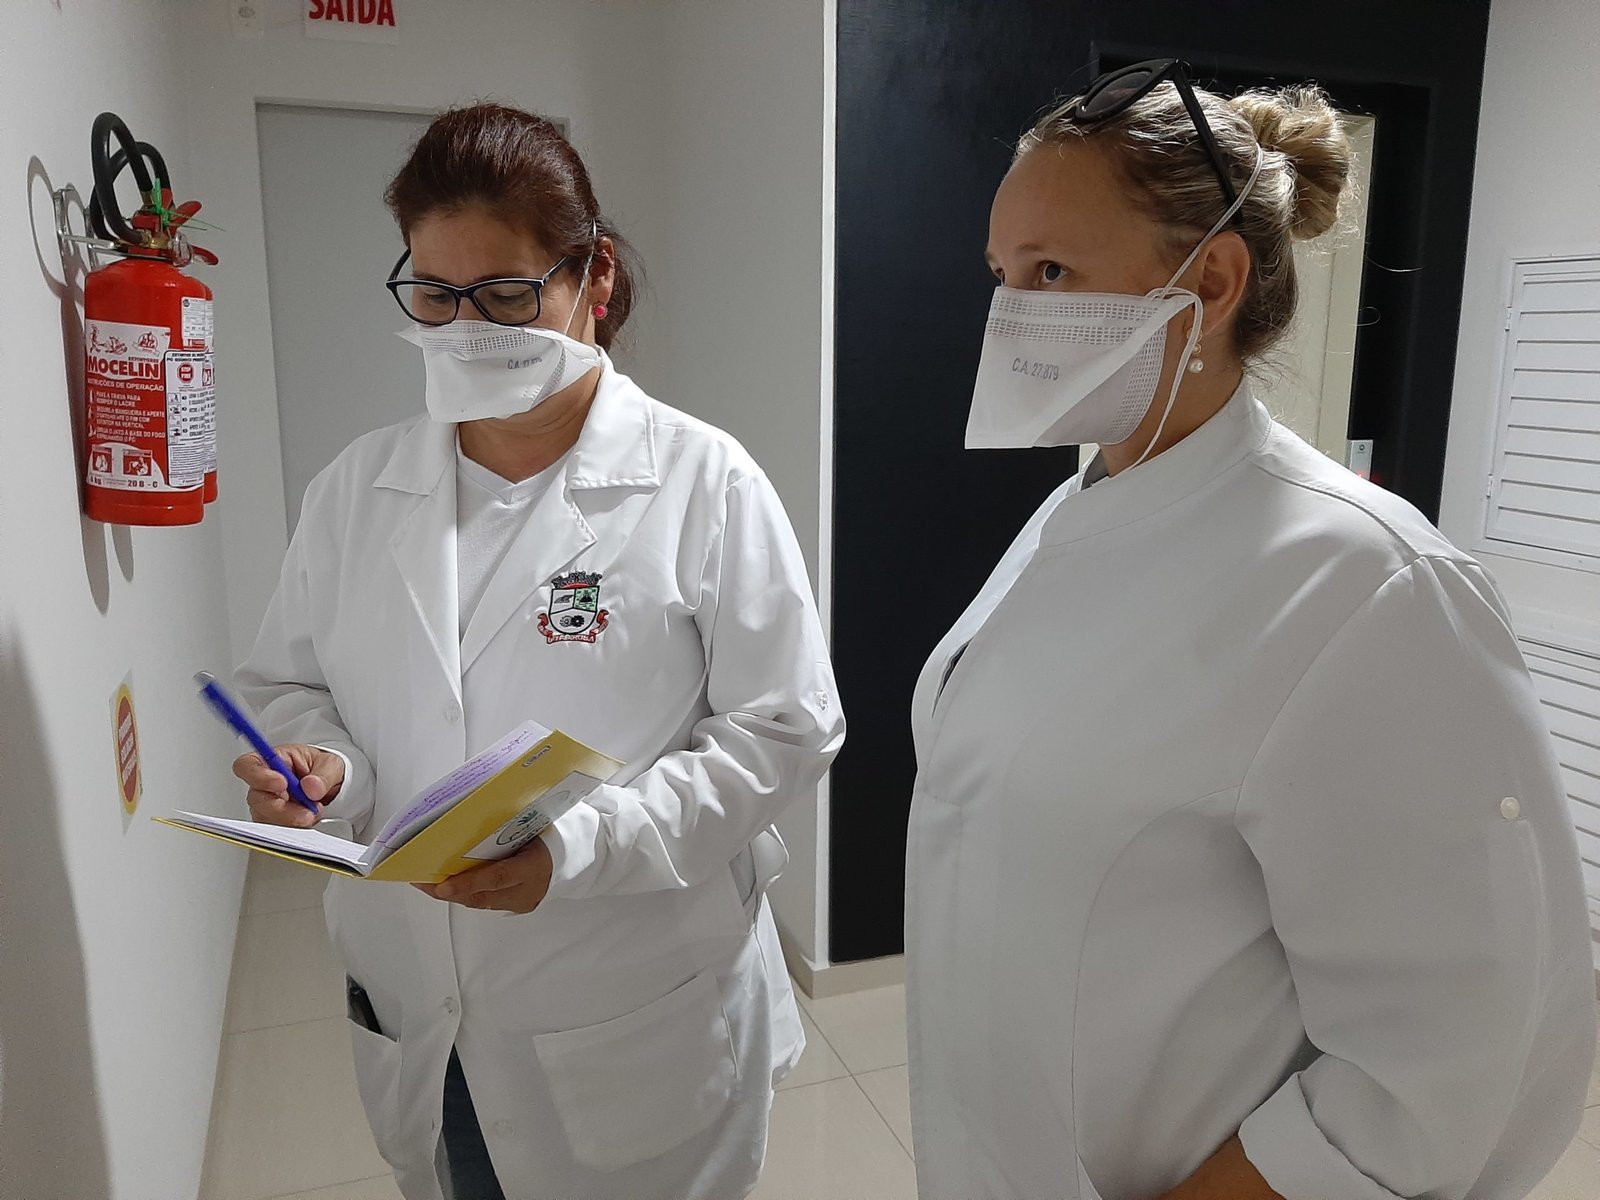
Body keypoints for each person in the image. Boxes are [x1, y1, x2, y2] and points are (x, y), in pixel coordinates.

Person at [906, 60, 1595, 1200]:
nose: (1011, 314)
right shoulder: (1077, 512)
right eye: (1002, 276)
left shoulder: (1370, 586)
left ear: (1213, 281)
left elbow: (1445, 1057)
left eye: (1052, 271)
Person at [233, 103, 843, 1200]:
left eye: (507, 294)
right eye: (434, 294)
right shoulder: (355, 491)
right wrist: (327, 770)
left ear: (592, 277)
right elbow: (294, 683)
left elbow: (785, 730)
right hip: (421, 1012)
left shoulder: (703, 481)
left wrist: (580, 848)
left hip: (630, 1012)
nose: (466, 326)